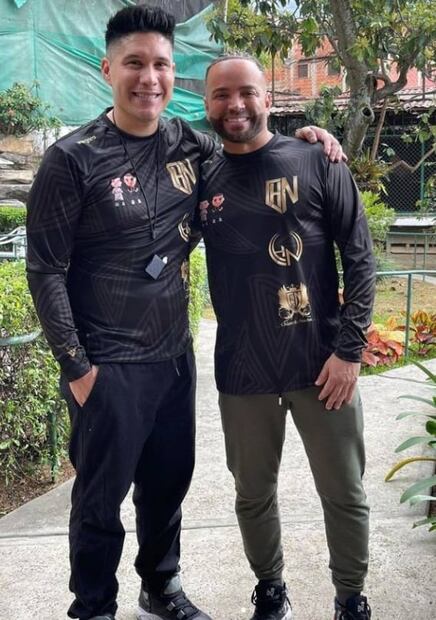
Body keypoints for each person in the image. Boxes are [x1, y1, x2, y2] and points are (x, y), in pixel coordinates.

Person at [25, 5, 343, 620]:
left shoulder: (189, 143)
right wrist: (77, 368)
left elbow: (250, 145)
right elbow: (44, 269)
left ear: (174, 74)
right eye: (134, 63)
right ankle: (93, 606)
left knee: (168, 483)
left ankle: (161, 587)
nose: (149, 78)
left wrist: (309, 138)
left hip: (174, 356)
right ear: (107, 70)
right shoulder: (72, 158)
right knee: (100, 498)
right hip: (107, 362)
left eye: (161, 65)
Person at [199, 54, 376, 620]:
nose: (235, 105)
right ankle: (271, 591)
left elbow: (360, 258)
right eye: (222, 95)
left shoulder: (316, 159)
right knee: (252, 494)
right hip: (243, 369)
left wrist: (349, 351)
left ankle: (350, 597)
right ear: (207, 104)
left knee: (343, 491)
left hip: (322, 364)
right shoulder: (201, 176)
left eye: (246, 92)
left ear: (268, 99)